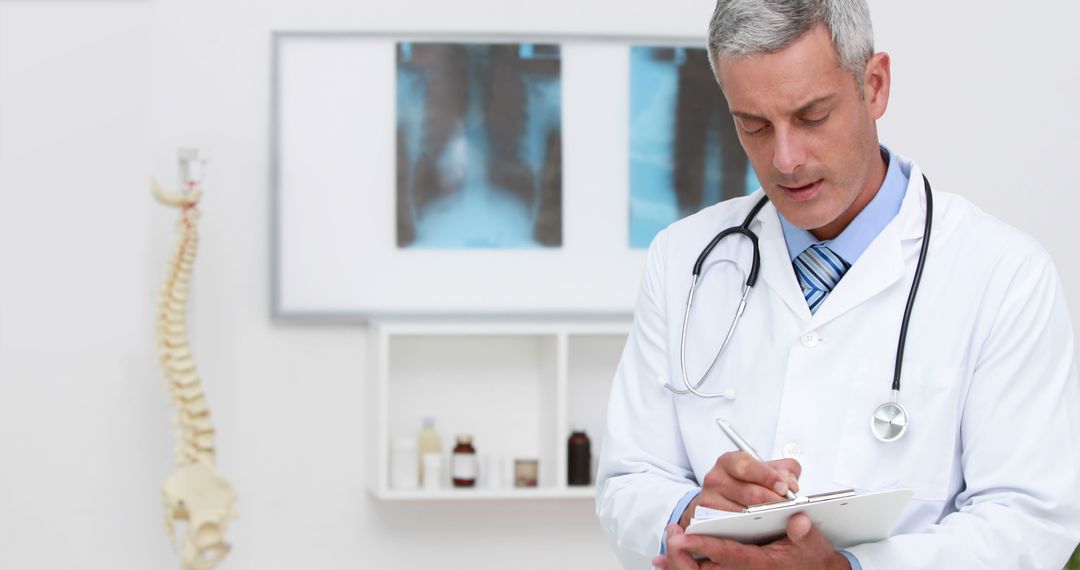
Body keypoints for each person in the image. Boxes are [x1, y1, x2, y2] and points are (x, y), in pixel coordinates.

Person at [595, 1, 1080, 568]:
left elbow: (1029, 522)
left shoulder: (1004, 275)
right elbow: (628, 480)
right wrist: (691, 514)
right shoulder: (683, 259)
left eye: (812, 116)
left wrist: (845, 568)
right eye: (753, 125)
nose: (785, 159)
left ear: (874, 86)